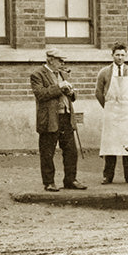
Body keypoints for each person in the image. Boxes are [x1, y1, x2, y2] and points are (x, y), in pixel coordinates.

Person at [30, 48, 85, 191]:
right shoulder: (37, 74)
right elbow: (41, 94)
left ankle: (70, 180)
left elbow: (71, 96)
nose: (62, 63)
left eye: (63, 60)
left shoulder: (62, 74)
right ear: (50, 59)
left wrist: (72, 92)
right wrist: (59, 87)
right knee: (48, 152)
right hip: (50, 119)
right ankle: (49, 182)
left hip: (66, 117)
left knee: (71, 151)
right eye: (60, 60)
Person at [95, 43, 128, 184]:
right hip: (111, 113)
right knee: (110, 145)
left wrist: (127, 107)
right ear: (112, 55)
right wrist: (108, 106)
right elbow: (98, 92)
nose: (120, 57)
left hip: (127, 114)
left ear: (126, 55)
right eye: (117, 55)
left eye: (122, 55)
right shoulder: (104, 72)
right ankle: (108, 176)